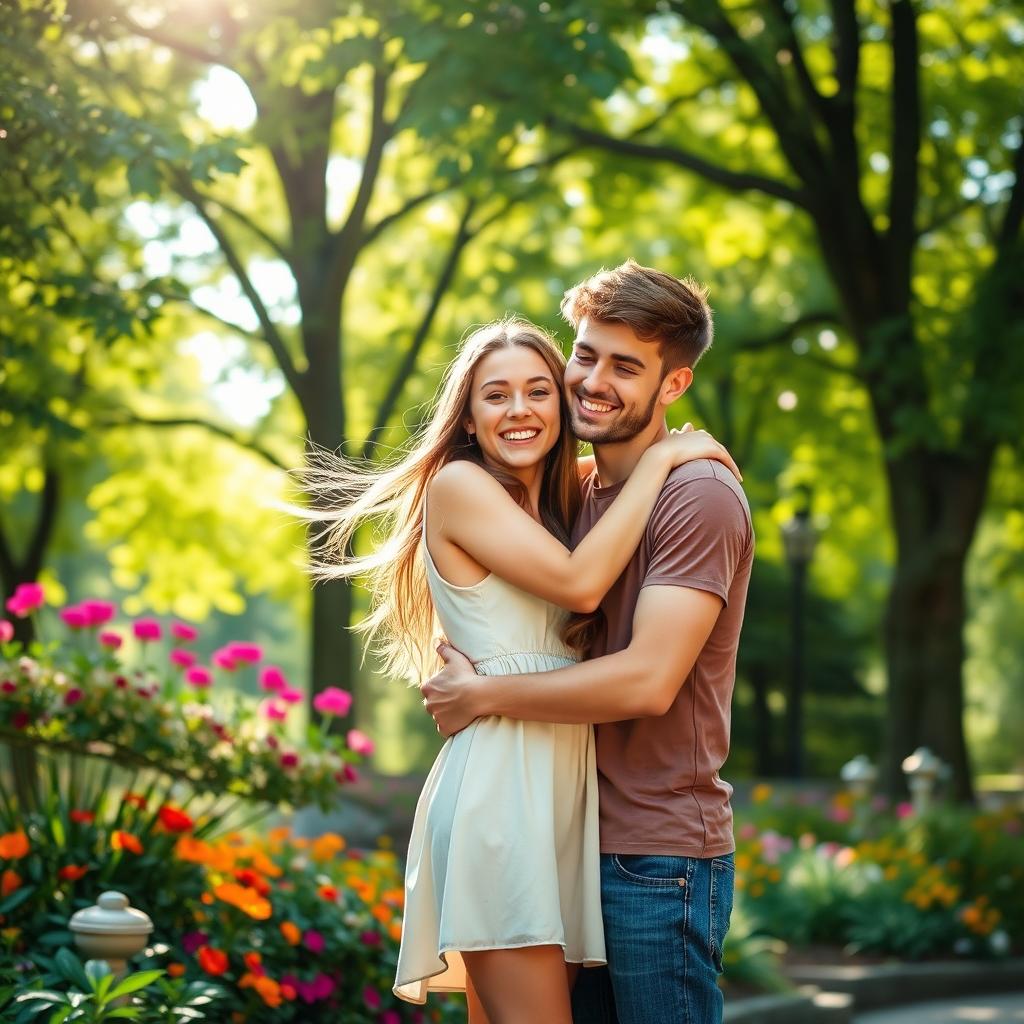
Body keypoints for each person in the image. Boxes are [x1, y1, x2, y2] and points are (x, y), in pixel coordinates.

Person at [302, 315, 740, 1024]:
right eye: (495, 395)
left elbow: (602, 497)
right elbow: (580, 586)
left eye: (538, 391)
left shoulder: (565, 500)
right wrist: (665, 458)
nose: (520, 410)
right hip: (503, 791)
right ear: (468, 418)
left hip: (560, 797)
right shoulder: (462, 487)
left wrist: (649, 458)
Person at [422, 261, 755, 1024]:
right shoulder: (571, 492)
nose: (593, 381)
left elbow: (644, 683)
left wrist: (482, 694)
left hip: (655, 852)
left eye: (626, 366)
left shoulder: (696, 494)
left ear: (673, 386)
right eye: (585, 354)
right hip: (560, 828)